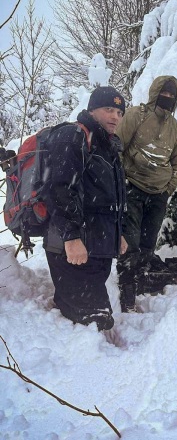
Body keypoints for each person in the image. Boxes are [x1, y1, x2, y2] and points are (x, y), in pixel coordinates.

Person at [44, 86, 128, 331]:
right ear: (92, 110)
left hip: (96, 248)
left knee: (98, 317)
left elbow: (109, 199)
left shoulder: (107, 147)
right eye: (108, 109)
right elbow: (59, 189)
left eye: (120, 112)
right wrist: (70, 237)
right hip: (71, 249)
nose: (115, 117)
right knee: (97, 322)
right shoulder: (74, 136)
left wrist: (118, 233)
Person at [116, 75, 177, 312]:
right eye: (164, 93)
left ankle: (139, 281)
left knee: (148, 243)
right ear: (155, 93)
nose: (167, 98)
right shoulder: (136, 115)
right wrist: (121, 182)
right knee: (130, 243)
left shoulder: (175, 128)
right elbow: (118, 147)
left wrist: (168, 188)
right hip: (132, 188)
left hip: (158, 195)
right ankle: (125, 290)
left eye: (172, 95)